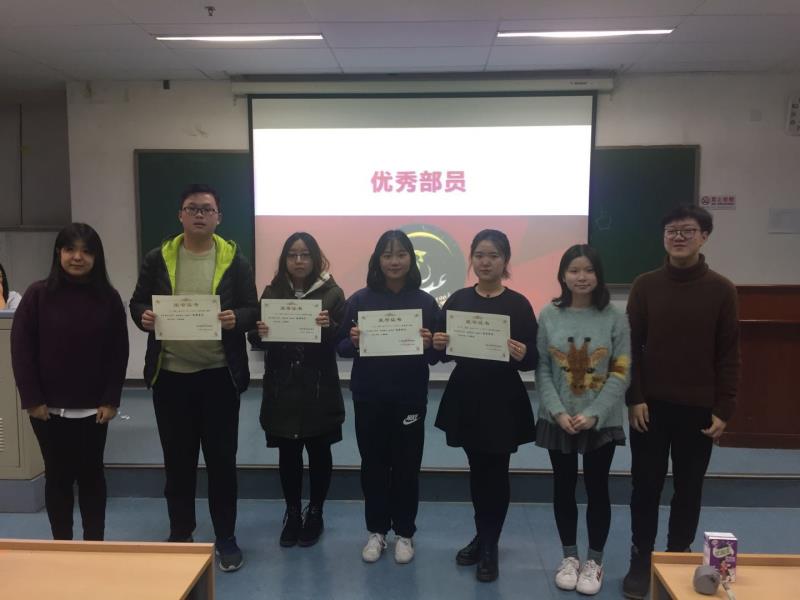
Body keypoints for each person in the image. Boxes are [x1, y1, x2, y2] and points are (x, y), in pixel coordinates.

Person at [129, 184, 258, 572]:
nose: (199, 214)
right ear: (180, 215)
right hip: (170, 377)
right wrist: (142, 316)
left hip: (220, 376)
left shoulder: (235, 260)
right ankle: (181, 534)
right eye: (192, 208)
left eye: (207, 209)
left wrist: (238, 318)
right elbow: (138, 301)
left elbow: (252, 308)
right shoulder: (158, 258)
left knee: (222, 463)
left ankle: (226, 537)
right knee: (177, 461)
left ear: (218, 217)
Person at [622, 205, 740, 599]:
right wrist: (635, 397)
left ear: (704, 236)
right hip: (650, 408)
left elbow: (729, 354)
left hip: (699, 409)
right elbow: (631, 347)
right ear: (663, 237)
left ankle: (676, 556)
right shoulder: (645, 285)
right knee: (645, 486)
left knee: (689, 488)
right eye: (672, 231)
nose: (678, 237)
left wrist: (724, 407)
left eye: (688, 231)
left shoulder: (722, 289)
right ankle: (641, 558)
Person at [10, 223, 129, 541]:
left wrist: (111, 399)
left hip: (95, 410)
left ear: (96, 257)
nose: (78, 257)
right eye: (70, 249)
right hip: (48, 411)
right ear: (58, 253)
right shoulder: (37, 295)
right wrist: (32, 399)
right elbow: (21, 351)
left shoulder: (109, 298)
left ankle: (94, 546)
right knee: (58, 478)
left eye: (86, 251)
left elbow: (118, 352)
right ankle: (61, 546)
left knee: (92, 478)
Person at [433, 229, 538, 583]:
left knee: (497, 471)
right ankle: (483, 535)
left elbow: (533, 358)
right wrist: (438, 342)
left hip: (503, 399)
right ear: (472, 259)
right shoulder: (458, 299)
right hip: (467, 396)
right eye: (479, 255)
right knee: (478, 471)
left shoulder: (518, 304)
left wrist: (524, 353)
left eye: (493, 255)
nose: (486, 262)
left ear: (505, 260)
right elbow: (439, 352)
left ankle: (490, 544)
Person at [336, 230, 440, 565]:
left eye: (401, 254)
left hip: (410, 398)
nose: (394, 261)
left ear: (411, 259)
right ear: (377, 261)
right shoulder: (360, 300)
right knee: (373, 465)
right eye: (387, 255)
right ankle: (376, 531)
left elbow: (437, 355)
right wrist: (353, 341)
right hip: (369, 396)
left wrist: (430, 343)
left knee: (407, 466)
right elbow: (340, 346)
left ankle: (405, 532)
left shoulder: (425, 302)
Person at [535, 244, 631, 596]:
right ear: (563, 275)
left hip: (599, 421)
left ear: (598, 275)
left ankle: (594, 561)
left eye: (588, 270)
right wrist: (558, 412)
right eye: (574, 270)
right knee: (563, 488)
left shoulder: (614, 316)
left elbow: (621, 370)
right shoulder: (549, 314)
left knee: (597, 488)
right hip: (557, 417)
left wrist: (593, 414)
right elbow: (543, 367)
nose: (581, 277)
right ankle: (569, 557)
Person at [248, 232, 345, 548]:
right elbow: (256, 337)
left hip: (319, 388)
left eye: (305, 254)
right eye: (293, 255)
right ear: (284, 259)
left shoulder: (333, 293)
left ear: (316, 258)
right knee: (288, 454)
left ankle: (315, 512)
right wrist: (259, 333)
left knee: (319, 452)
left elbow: (343, 339)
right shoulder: (271, 292)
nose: (299, 261)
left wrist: (329, 327)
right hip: (283, 388)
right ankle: (292, 513)